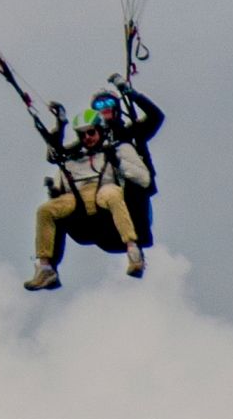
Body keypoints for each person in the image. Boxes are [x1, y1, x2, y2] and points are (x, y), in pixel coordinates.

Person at [23, 80, 163, 291]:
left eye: (108, 104)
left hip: (127, 193)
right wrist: (60, 125)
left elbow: (155, 118)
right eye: (98, 106)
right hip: (88, 207)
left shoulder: (128, 135)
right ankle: (46, 269)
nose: (104, 108)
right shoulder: (82, 149)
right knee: (48, 209)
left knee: (115, 193)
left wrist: (130, 92)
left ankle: (134, 251)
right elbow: (57, 155)